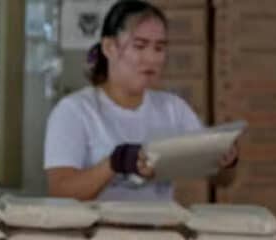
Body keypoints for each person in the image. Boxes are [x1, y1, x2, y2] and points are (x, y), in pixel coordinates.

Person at [45, 0, 239, 201]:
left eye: (159, 48)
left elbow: (223, 179)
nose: (152, 58)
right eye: (140, 46)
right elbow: (60, 191)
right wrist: (115, 163)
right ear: (109, 47)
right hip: (99, 232)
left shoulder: (173, 109)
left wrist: (226, 161)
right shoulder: (75, 111)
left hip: (158, 230)